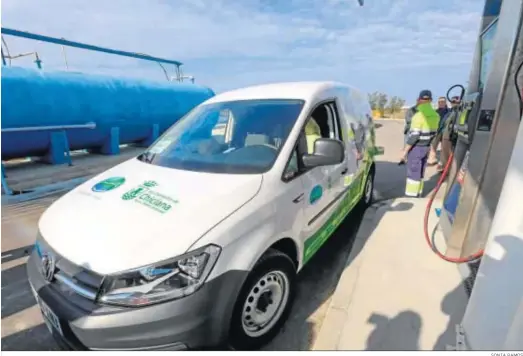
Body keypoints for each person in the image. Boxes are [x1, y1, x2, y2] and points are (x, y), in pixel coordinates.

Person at [400, 90, 440, 197]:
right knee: (421, 172)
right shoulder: (436, 116)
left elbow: (414, 136)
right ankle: (419, 193)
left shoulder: (418, 116)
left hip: (416, 147)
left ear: (420, 99)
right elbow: (434, 134)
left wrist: (405, 151)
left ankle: (411, 196)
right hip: (426, 147)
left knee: (413, 173)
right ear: (431, 100)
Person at [438, 96, 461, 172]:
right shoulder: (449, 112)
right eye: (452, 101)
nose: (454, 103)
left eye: (456, 101)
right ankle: (445, 169)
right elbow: (443, 123)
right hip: (445, 135)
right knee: (444, 153)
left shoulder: (459, 112)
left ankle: (450, 171)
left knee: (451, 154)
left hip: (452, 136)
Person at [428, 97, 450, 166]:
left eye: (443, 101)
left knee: (444, 148)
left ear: (445, 102)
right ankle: (431, 160)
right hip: (436, 131)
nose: (441, 103)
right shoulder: (435, 111)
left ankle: (442, 163)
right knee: (433, 145)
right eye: (439, 102)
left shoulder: (449, 111)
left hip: (445, 131)